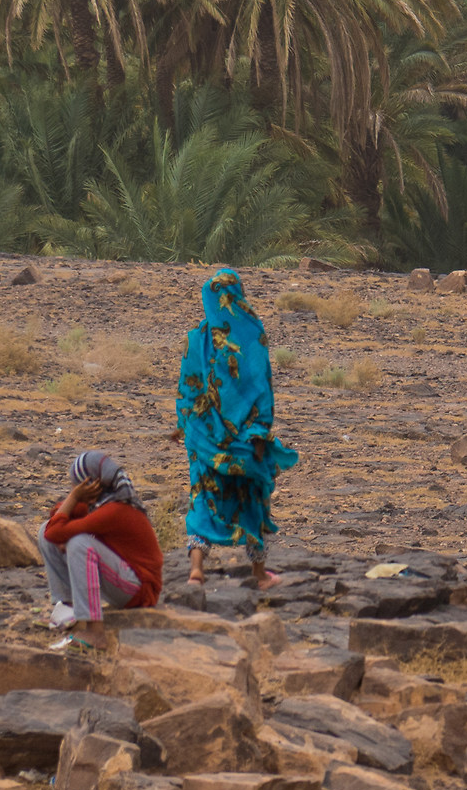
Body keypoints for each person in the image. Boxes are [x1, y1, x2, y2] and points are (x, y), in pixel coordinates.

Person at [176, 266, 297, 590]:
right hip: (245, 439)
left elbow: (187, 389)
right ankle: (258, 574)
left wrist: (183, 425)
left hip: (204, 437)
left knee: (202, 498)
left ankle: (196, 571)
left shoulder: (196, 339)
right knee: (252, 499)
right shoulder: (252, 334)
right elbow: (262, 388)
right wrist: (259, 430)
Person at [40, 448, 162, 646]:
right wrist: (73, 502)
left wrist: (73, 499)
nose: (73, 488)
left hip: (141, 590)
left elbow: (56, 531)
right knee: (46, 530)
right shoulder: (101, 503)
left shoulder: (115, 510)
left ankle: (95, 632)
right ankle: (68, 610)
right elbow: (53, 523)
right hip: (125, 579)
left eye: (76, 485)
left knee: (79, 544)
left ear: (91, 485)